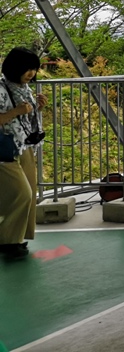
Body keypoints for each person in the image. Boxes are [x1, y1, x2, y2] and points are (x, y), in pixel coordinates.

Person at [0, 47, 47, 259]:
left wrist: (37, 107)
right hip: (5, 149)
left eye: (34, 69)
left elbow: (25, 120)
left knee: (29, 194)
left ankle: (17, 238)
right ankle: (7, 241)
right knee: (21, 193)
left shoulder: (24, 88)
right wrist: (17, 111)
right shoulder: (1, 89)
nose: (31, 73)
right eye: (27, 69)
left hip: (24, 146)